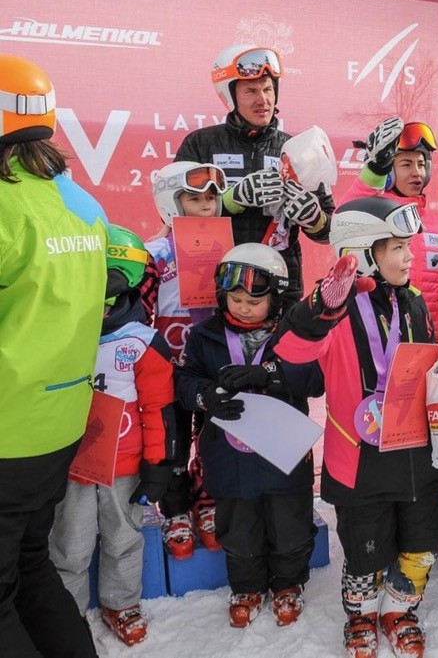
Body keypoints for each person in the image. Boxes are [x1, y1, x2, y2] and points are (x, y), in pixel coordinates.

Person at [275, 197, 438, 656]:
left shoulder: (414, 302)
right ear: (362, 252)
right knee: (365, 551)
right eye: (397, 247)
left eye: (408, 246)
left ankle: (399, 609)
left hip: (415, 456)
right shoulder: (337, 311)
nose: (410, 256)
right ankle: (361, 614)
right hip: (360, 462)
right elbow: (291, 353)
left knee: (420, 545)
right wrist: (321, 307)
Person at [0, 54, 107, 658]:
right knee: (31, 565)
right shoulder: (82, 202)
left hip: (7, 429)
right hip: (60, 424)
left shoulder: (5, 205)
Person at [175, 243, 324, 628]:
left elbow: (316, 378)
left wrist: (271, 374)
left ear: (275, 300)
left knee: (289, 522)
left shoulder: (293, 334)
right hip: (229, 456)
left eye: (254, 302)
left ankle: (288, 583)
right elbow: (185, 381)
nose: (243, 308)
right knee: (238, 525)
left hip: (283, 454)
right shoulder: (204, 336)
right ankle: (246, 587)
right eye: (235, 299)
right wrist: (205, 396)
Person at [50, 226, 175, 646]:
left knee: (123, 538)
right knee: (69, 545)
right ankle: (65, 615)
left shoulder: (141, 342)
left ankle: (120, 603)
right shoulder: (57, 333)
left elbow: (158, 409)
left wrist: (158, 465)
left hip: (125, 466)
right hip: (73, 464)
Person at [175, 45, 333, 305]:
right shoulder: (200, 145)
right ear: (229, 96)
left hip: (280, 288)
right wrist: (229, 200)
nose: (263, 100)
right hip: (217, 282)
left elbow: (329, 232)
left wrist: (314, 219)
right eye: (250, 91)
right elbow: (174, 217)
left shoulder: (299, 150)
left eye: (268, 89)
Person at [145, 160, 228, 558]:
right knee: (173, 443)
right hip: (169, 367)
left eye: (212, 198)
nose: (207, 206)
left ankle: (208, 499)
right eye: (195, 199)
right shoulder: (154, 254)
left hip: (211, 364)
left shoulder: (226, 249)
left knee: (212, 436)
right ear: (170, 204)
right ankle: (176, 509)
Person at [343, 118, 438, 341]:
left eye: (421, 164)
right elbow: (346, 214)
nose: (417, 172)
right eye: (406, 165)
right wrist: (374, 172)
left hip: (426, 340)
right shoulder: (373, 215)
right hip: (380, 336)